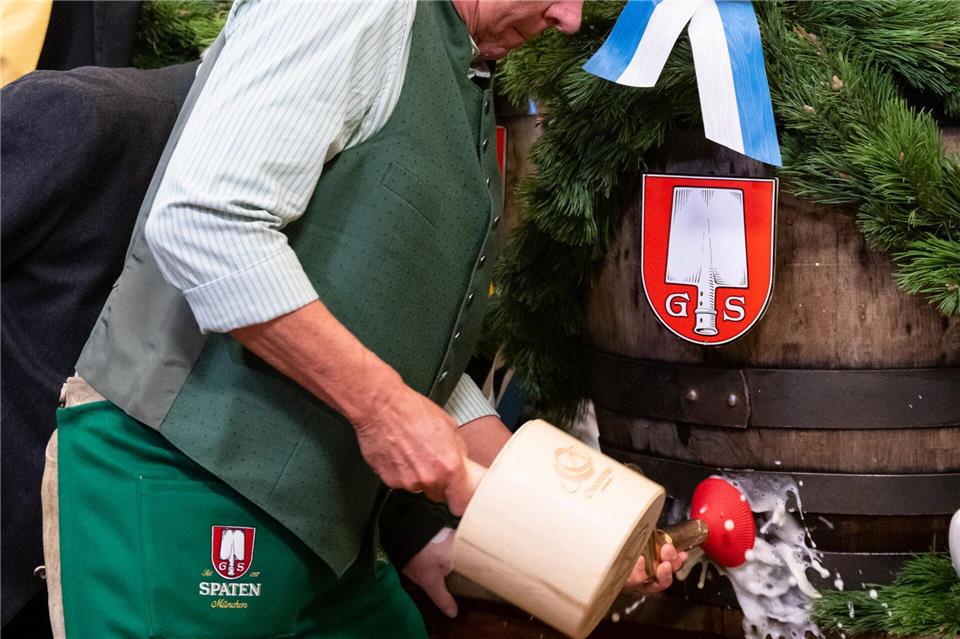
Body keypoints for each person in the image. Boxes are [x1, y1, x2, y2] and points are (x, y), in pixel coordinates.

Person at [44, 1, 686, 637]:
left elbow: (389, 326)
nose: (569, 18)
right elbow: (205, 222)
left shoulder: (457, 61)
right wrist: (383, 409)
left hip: (330, 531)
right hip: (184, 483)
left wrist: (575, 527)